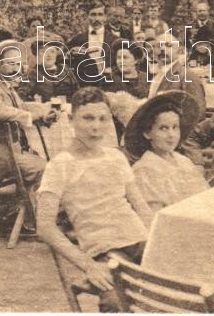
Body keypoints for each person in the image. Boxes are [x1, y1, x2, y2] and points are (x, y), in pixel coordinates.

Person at [36, 87, 152, 313]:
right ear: (71, 119)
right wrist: (88, 265)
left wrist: (157, 243)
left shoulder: (116, 157)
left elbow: (141, 207)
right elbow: (44, 226)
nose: (96, 126)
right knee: (116, 303)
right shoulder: (60, 165)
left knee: (185, 286)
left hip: (140, 241)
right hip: (106, 252)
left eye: (103, 119)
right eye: (88, 118)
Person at [0, 39, 55, 189]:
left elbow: (22, 107)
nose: (16, 69)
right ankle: (34, 201)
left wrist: (43, 114)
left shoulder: (6, 86)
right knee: (46, 168)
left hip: (10, 152)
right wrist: (30, 116)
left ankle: (31, 199)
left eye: (18, 64)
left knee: (47, 163)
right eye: (11, 64)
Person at [124, 92, 208, 211]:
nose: (171, 135)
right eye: (163, 128)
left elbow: (205, 195)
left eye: (175, 127)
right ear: (147, 133)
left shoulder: (183, 161)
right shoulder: (144, 170)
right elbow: (154, 215)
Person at [17, 37, 79, 102]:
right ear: (36, 54)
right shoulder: (32, 73)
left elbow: (77, 92)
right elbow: (21, 97)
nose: (49, 55)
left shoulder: (65, 69)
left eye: (52, 51)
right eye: (44, 51)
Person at [67, 3, 116, 85]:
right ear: (87, 17)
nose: (96, 18)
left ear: (105, 17)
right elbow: (65, 57)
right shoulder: (77, 39)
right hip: (83, 83)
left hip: (108, 83)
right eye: (93, 15)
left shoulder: (114, 39)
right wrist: (71, 52)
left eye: (100, 15)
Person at [188, 1, 214, 66]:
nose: (202, 13)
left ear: (208, 12)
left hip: (211, 59)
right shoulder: (190, 26)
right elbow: (186, 43)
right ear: (196, 12)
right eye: (200, 11)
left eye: (204, 11)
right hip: (194, 59)